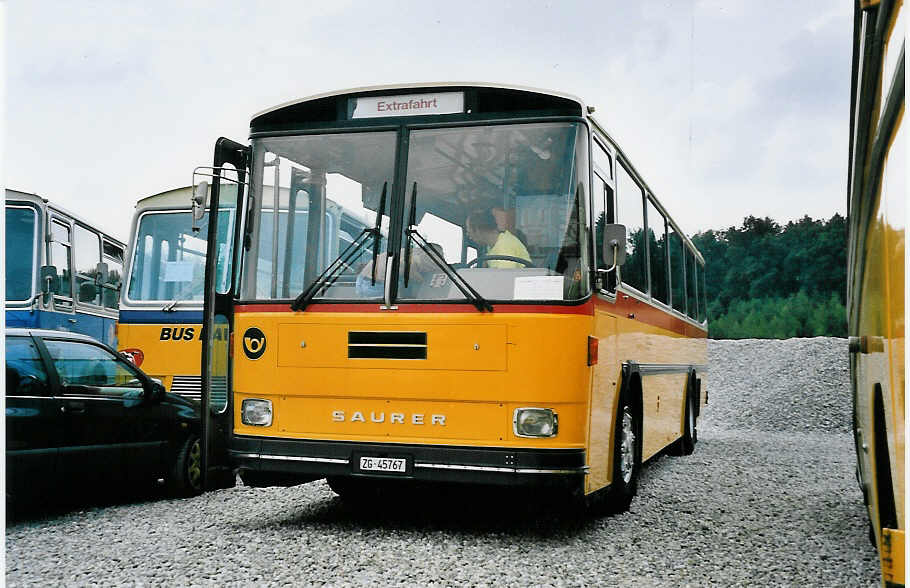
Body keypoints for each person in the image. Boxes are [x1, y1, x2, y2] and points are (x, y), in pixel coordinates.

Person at [355, 243, 445, 297]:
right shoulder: (431, 257)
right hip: (375, 285)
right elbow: (405, 264)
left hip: (362, 279)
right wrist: (421, 282)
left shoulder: (412, 251)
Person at [465, 209, 531, 269]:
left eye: (469, 231)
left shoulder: (505, 246)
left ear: (478, 230)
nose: (468, 235)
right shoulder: (491, 246)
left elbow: (504, 278)